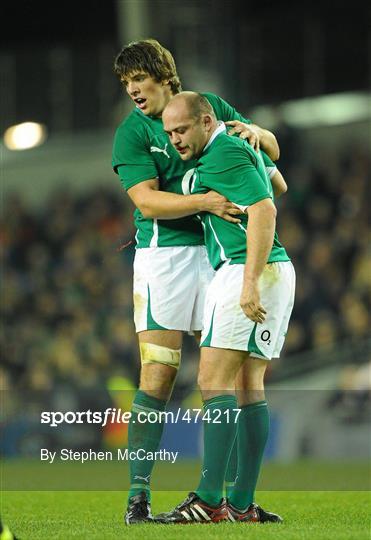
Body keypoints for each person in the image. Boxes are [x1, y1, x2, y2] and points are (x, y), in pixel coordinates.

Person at [111, 38, 281, 524]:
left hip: (220, 253)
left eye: (138, 79)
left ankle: (234, 501)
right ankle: (138, 497)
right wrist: (206, 201)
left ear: (163, 75)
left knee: (240, 378)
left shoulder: (211, 109)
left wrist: (261, 132)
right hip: (164, 258)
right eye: (126, 84)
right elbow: (145, 202)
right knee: (159, 373)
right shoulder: (132, 133)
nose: (132, 91)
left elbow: (265, 157)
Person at [157, 92, 295, 523]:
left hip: (245, 269)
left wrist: (249, 282)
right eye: (169, 133)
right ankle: (240, 504)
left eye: (181, 130)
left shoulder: (223, 153)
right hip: (275, 270)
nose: (176, 139)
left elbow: (266, 209)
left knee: (213, 380)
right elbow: (279, 184)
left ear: (206, 121)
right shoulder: (241, 145)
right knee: (250, 386)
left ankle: (209, 500)